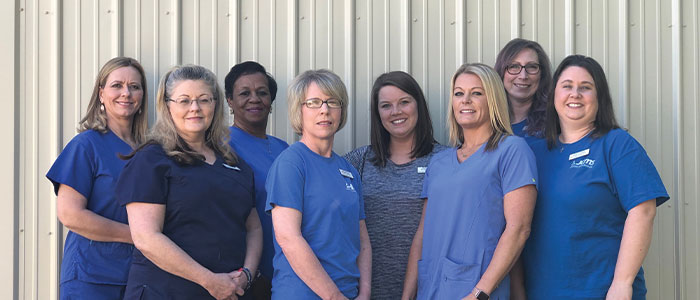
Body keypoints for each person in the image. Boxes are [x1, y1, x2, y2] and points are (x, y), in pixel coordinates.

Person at [521, 55, 669, 300]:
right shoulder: (534, 153)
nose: (575, 94)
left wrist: (622, 284)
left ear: (600, 98)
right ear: (553, 95)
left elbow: (643, 212)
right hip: (542, 292)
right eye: (567, 86)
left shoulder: (616, 145)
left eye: (586, 87)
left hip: (602, 291)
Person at [116, 65, 263, 299]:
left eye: (204, 100)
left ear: (215, 104)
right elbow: (146, 238)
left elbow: (253, 227)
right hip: (165, 292)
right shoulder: (152, 159)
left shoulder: (235, 164)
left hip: (227, 292)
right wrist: (209, 281)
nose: (195, 108)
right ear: (167, 105)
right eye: (184, 101)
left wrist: (246, 274)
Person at [403, 63, 537, 300]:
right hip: (431, 289)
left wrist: (479, 293)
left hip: (476, 291)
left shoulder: (512, 151)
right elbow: (422, 233)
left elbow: (518, 230)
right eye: (458, 93)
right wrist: (407, 295)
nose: (465, 100)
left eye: (476, 93)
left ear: (493, 99)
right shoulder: (439, 162)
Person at [46, 56, 148, 299]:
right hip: (91, 277)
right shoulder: (86, 145)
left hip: (139, 277)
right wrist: (142, 236)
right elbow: (70, 214)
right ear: (101, 94)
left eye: (134, 86)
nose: (126, 93)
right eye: (117, 85)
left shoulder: (150, 151)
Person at [266, 69, 371, 300]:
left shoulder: (349, 171)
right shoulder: (291, 163)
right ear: (299, 110)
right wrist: (334, 296)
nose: (325, 110)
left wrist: (364, 293)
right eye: (313, 102)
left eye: (332, 102)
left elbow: (362, 240)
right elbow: (288, 238)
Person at [343, 71, 445, 300]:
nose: (396, 112)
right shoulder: (358, 161)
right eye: (386, 105)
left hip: (426, 290)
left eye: (404, 102)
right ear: (377, 113)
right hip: (366, 291)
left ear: (418, 104)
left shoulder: (445, 160)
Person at [224, 61, 289, 298]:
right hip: (245, 276)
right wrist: (253, 273)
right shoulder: (222, 147)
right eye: (244, 93)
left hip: (287, 272)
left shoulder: (284, 149)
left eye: (262, 92)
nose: (254, 99)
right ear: (230, 101)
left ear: (271, 101)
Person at [494, 38, 552, 139]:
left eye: (532, 67)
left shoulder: (555, 122)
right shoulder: (486, 121)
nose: (523, 76)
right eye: (514, 66)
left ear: (542, 74)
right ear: (501, 72)